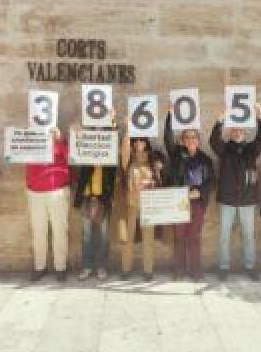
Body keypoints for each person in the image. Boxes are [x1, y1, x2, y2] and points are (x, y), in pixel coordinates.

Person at [210, 103, 261, 281]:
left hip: (247, 200)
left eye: (240, 129)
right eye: (233, 129)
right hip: (228, 199)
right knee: (224, 235)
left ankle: (250, 266)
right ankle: (223, 267)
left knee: (249, 235)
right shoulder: (224, 149)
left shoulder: (251, 149)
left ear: (244, 131)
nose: (237, 132)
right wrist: (219, 121)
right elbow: (214, 141)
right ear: (230, 132)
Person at [164, 110, 214, 281]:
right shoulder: (177, 155)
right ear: (183, 141)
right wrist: (170, 115)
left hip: (197, 202)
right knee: (179, 237)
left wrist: (199, 192)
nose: (191, 140)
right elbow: (168, 140)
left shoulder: (206, 160)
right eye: (187, 137)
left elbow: (211, 182)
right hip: (179, 201)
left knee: (194, 237)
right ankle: (179, 269)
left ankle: (195, 270)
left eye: (194, 137)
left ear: (198, 141)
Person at [73, 123, 117, 281]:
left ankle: (102, 267)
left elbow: (113, 139)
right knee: (86, 235)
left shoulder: (109, 149)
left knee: (104, 236)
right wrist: (75, 133)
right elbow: (76, 152)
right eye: (95, 130)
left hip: (102, 198)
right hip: (86, 197)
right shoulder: (86, 142)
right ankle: (87, 266)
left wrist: (113, 123)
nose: (98, 133)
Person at [26, 127, 71, 282]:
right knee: (38, 231)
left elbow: (73, 158)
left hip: (57, 190)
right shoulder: (30, 137)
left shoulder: (59, 139)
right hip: (35, 191)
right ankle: (40, 266)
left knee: (60, 230)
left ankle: (61, 267)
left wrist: (60, 140)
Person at [119, 125, 156, 281]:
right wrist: (128, 130)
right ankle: (126, 269)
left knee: (148, 238)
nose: (139, 143)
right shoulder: (128, 161)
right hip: (131, 204)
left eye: (142, 140)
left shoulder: (153, 159)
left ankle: (148, 270)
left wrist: (150, 181)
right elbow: (124, 151)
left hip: (148, 205)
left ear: (146, 142)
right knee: (127, 237)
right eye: (136, 140)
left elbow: (159, 179)